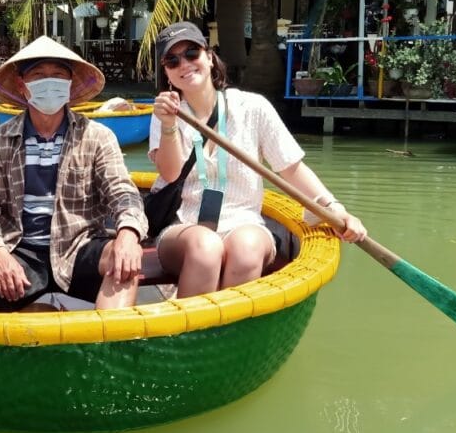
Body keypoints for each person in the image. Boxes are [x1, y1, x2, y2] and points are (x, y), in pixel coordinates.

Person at [148, 21, 367, 297]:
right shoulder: (166, 113)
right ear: (167, 72)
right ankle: (187, 334)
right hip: (183, 227)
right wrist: (168, 124)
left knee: (247, 248)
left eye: (192, 53)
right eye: (172, 60)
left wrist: (334, 206)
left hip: (244, 221)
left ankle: (228, 333)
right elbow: (170, 174)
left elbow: (291, 168)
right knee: (206, 247)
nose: (184, 64)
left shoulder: (252, 108)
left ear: (209, 57)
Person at [0, 35, 147, 313]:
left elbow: (123, 193)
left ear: (70, 83)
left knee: (124, 262)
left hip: (80, 246)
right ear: (22, 85)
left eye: (58, 75)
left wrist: (128, 235)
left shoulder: (98, 136)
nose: (48, 82)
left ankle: (108, 349)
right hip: (19, 248)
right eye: (38, 75)